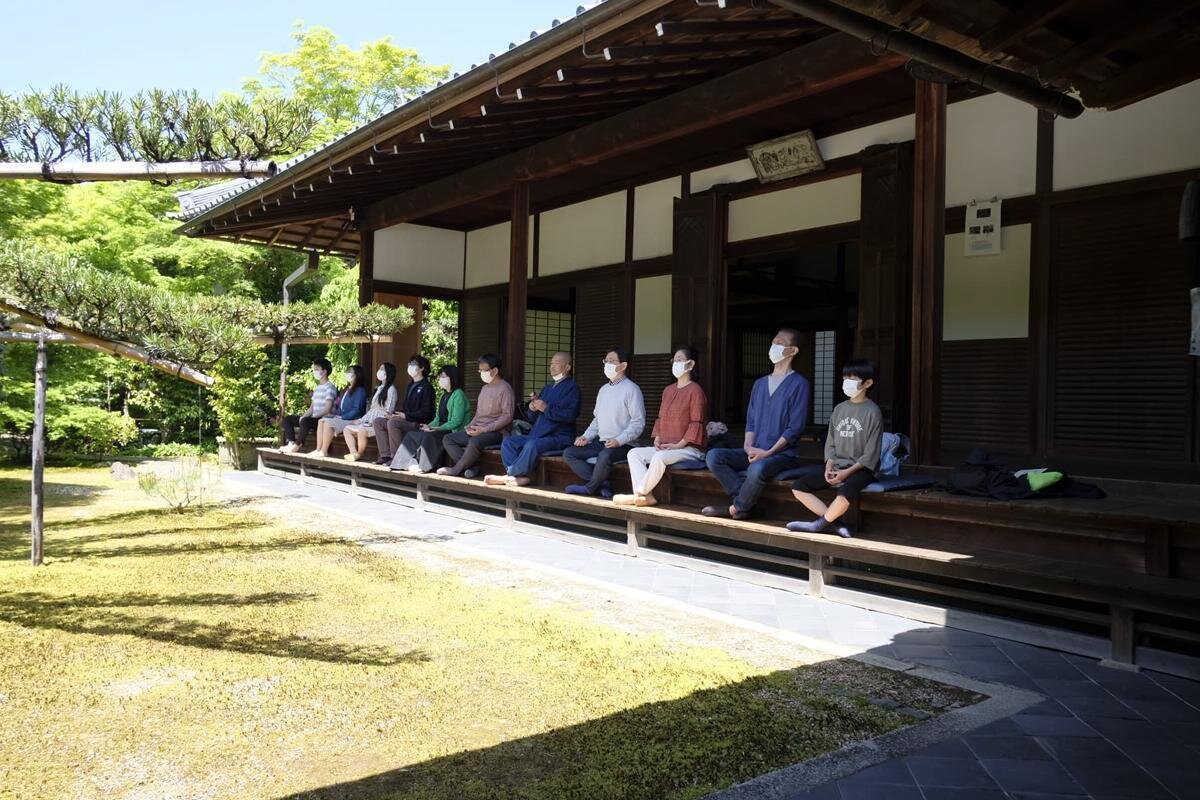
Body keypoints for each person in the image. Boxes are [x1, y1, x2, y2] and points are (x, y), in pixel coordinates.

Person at [703, 328, 810, 520]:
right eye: (774, 342)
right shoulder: (759, 384)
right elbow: (751, 421)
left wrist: (768, 452)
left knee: (757, 468)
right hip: (755, 450)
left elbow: (795, 428)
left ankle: (735, 508)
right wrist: (747, 446)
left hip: (782, 454)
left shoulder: (799, 384)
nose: (774, 346)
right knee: (714, 456)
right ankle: (746, 503)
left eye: (780, 343)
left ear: (793, 351)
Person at [787, 359, 881, 538]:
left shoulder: (873, 412)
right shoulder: (839, 409)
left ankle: (818, 525)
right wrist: (829, 466)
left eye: (852, 379)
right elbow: (830, 443)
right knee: (799, 486)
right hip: (837, 466)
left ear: (867, 383)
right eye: (845, 378)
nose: (847, 382)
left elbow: (871, 453)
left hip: (862, 469)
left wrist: (846, 473)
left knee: (845, 491)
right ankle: (834, 524)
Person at [614, 347, 707, 506]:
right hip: (667, 447)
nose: (675, 363)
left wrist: (678, 445)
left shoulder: (696, 391)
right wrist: (658, 438)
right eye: (674, 360)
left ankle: (639, 493)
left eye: (679, 359)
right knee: (634, 453)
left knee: (659, 457)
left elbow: (696, 423)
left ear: (690, 365)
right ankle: (647, 496)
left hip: (689, 449)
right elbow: (661, 418)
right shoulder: (668, 390)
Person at [485, 352, 581, 486]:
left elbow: (570, 415)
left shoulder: (572, 388)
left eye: (557, 363)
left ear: (568, 367)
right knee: (509, 442)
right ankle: (519, 477)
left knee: (532, 445)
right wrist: (532, 408)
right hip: (538, 434)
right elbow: (533, 418)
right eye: (551, 363)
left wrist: (546, 408)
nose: (552, 366)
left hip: (559, 437)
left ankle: (510, 475)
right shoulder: (547, 388)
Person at [562, 346, 645, 498]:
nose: (607, 364)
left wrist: (619, 440)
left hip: (625, 445)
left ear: (623, 365)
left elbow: (638, 423)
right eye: (606, 361)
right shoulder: (603, 390)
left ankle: (590, 488)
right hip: (603, 442)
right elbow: (597, 420)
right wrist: (586, 437)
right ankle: (601, 483)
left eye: (612, 361)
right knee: (569, 453)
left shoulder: (632, 389)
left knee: (604, 456)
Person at [438, 354, 515, 478]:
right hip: (479, 429)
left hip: (496, 432)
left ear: (495, 370)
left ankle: (457, 469)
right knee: (448, 439)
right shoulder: (484, 388)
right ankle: (472, 467)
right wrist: (470, 426)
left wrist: (484, 429)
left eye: (484, 370)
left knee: (475, 441)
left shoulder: (505, 389)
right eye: (480, 370)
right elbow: (479, 414)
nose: (481, 373)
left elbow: (507, 416)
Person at [390, 365, 471, 474]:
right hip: (440, 428)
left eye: (443, 376)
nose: (440, 379)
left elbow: (456, 421)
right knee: (412, 434)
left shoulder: (458, 395)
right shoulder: (443, 396)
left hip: (451, 431)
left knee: (429, 436)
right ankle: (400, 463)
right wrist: (428, 426)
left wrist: (437, 428)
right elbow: (438, 418)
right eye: (440, 377)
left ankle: (424, 466)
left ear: (452, 377)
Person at [372, 355, 436, 464]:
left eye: (413, 364)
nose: (410, 366)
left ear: (422, 368)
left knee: (393, 423)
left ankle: (398, 458)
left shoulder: (427, 387)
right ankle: (385, 456)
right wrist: (395, 414)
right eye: (409, 364)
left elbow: (427, 413)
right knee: (378, 421)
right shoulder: (410, 385)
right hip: (407, 420)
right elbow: (406, 408)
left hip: (418, 423)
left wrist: (406, 416)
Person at [341, 363, 399, 461]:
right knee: (347, 429)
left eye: (382, 369)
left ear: (388, 372)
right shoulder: (378, 388)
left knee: (362, 431)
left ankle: (359, 453)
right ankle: (353, 452)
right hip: (369, 419)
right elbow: (372, 410)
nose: (379, 371)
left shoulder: (391, 389)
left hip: (379, 421)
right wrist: (361, 420)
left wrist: (373, 422)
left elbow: (388, 411)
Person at [280, 357, 338, 453]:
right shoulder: (317, 388)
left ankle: (297, 445)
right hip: (313, 418)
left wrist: (311, 417)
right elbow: (312, 408)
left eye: (317, 369)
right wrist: (303, 416)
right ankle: (291, 443)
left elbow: (327, 409)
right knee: (287, 419)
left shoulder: (330, 387)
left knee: (305, 421)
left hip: (323, 420)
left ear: (324, 372)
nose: (314, 372)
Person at [309, 365, 368, 457]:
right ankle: (318, 449)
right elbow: (341, 407)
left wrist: (342, 417)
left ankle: (324, 451)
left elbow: (357, 409)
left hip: (351, 420)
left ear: (357, 375)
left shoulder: (360, 390)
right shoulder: (347, 389)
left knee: (328, 423)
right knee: (321, 421)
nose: (347, 373)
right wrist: (336, 415)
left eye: (350, 372)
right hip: (342, 418)